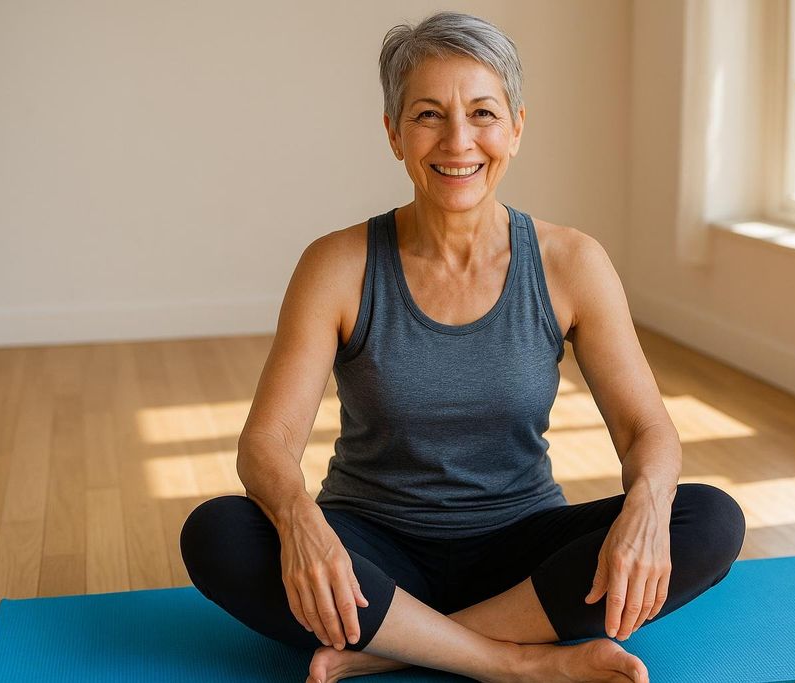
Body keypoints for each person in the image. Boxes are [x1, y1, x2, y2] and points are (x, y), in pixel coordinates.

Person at [180, 10, 746, 683]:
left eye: (482, 113)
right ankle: (513, 660)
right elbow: (266, 441)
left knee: (707, 518)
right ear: (393, 132)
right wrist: (302, 522)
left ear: (516, 127)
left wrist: (650, 504)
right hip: (372, 552)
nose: (458, 141)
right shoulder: (336, 265)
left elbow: (645, 427)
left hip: (520, 554)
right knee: (217, 532)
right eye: (427, 115)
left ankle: (394, 645)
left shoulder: (571, 263)